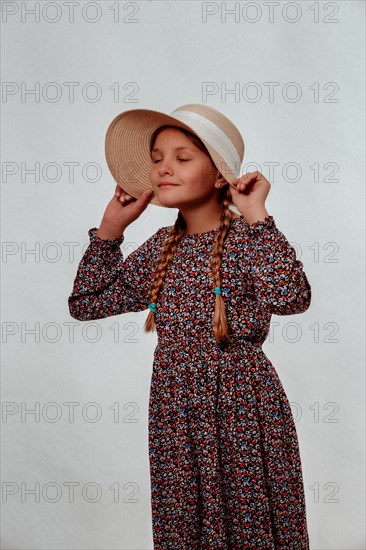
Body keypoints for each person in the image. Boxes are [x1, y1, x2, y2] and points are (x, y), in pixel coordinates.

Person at [68, 104, 312, 549]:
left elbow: (291, 297)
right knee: (186, 522)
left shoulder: (247, 238)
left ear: (220, 175)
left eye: (182, 158)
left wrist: (256, 213)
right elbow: (85, 303)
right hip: (175, 408)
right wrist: (110, 229)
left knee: (248, 517)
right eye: (157, 158)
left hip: (240, 402)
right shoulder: (163, 245)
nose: (164, 168)